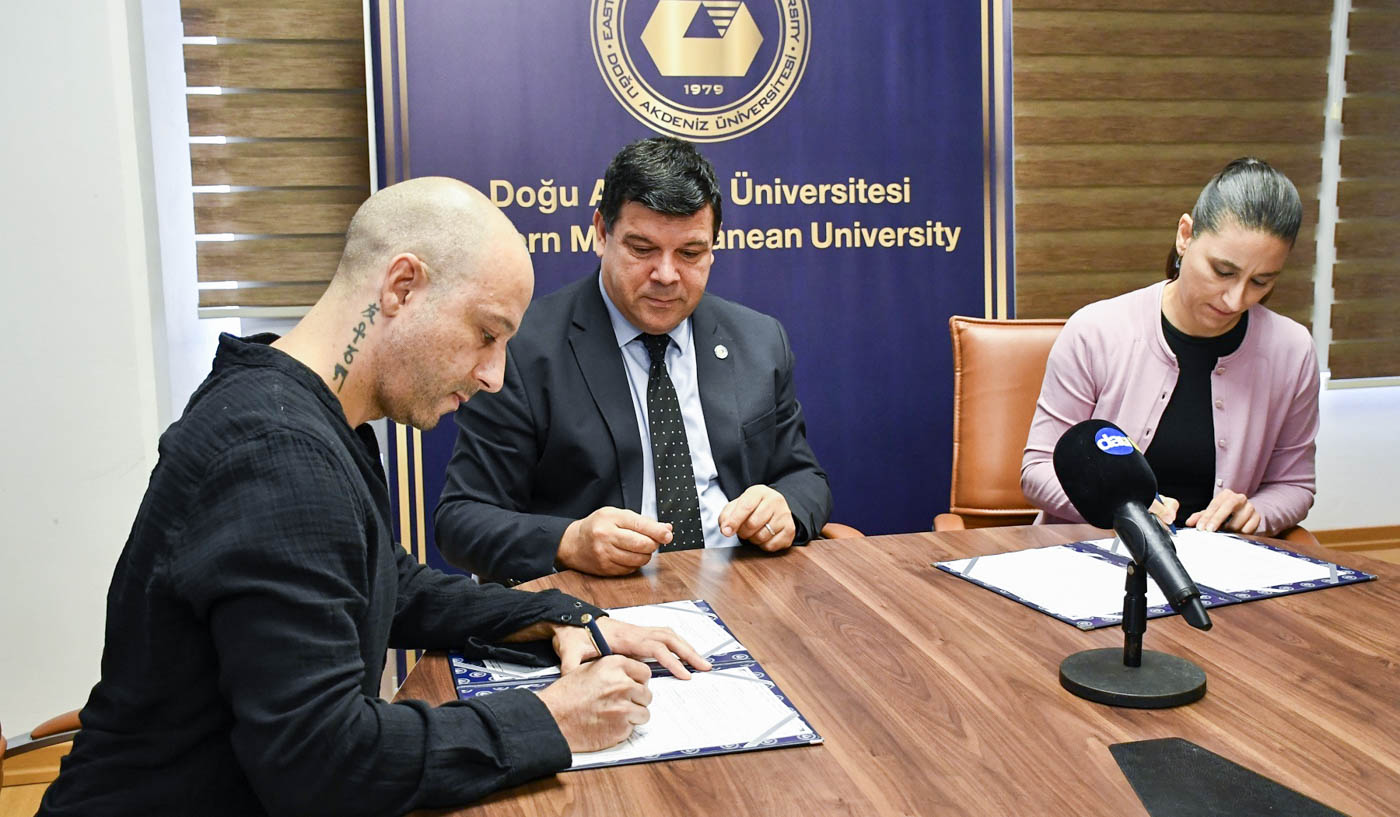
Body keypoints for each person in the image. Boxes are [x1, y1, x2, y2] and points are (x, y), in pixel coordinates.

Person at [38, 178, 711, 817]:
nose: (494, 375)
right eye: (487, 334)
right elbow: (322, 764)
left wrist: (561, 616)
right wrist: (552, 719)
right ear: (401, 286)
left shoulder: (297, 411)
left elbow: (391, 586)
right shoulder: (276, 455)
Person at [436, 136, 832, 586]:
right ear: (601, 233)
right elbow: (462, 519)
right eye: (642, 250)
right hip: (597, 601)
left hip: (741, 589)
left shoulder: (759, 340)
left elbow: (804, 477)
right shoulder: (523, 350)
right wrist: (568, 541)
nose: (666, 275)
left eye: (690, 253)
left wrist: (785, 508)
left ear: (713, 247)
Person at [1021, 157, 1320, 536]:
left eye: (1261, 282)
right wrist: (1122, 508)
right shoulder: (1096, 332)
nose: (1236, 299)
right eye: (1223, 271)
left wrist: (1257, 513)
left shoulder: (1292, 350)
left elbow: (1294, 484)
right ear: (1185, 235)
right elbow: (1038, 469)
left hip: (1220, 558)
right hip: (1096, 548)